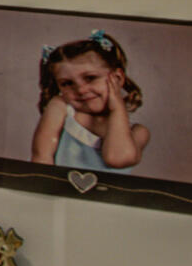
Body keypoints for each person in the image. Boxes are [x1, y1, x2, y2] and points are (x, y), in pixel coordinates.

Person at [31, 29, 148, 171]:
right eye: (67, 83)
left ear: (117, 78)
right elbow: (41, 158)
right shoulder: (61, 108)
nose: (80, 90)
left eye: (90, 78)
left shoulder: (138, 132)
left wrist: (117, 108)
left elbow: (116, 159)